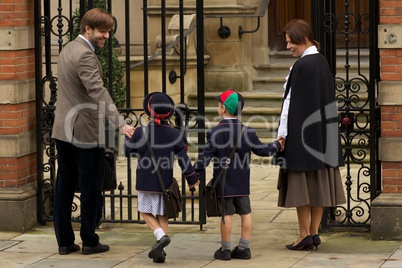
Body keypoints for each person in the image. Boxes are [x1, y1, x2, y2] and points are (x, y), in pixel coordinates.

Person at [51, 8, 135, 255]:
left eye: (108, 31)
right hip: (85, 132)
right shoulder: (86, 56)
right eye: (103, 31)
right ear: (87, 28)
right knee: (90, 186)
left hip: (62, 130)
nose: (107, 36)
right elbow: (97, 91)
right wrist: (120, 122)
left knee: (64, 185)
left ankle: (65, 242)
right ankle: (89, 240)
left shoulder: (68, 48)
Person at [275, 19, 346, 250]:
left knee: (302, 187)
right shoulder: (321, 62)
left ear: (303, 39)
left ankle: (304, 234)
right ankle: (314, 233)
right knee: (318, 184)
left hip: (303, 138)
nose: (288, 47)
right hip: (322, 136)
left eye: (290, 42)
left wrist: (282, 135)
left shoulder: (303, 65)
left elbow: (290, 105)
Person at [193, 89, 283, 260]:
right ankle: (244, 248)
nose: (218, 107)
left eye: (219, 105)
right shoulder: (247, 132)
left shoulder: (215, 132)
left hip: (223, 182)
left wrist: (195, 173)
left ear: (224, 108)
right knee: (245, 213)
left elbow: (205, 157)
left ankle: (225, 250)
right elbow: (262, 150)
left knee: (226, 215)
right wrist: (276, 146)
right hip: (242, 181)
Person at [124, 92, 200, 263]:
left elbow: (128, 151)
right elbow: (184, 160)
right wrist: (192, 178)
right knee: (162, 213)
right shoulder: (175, 134)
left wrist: (128, 136)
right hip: (164, 181)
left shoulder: (140, 132)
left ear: (149, 111)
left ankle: (160, 237)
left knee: (144, 211)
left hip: (145, 180)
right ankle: (161, 249)